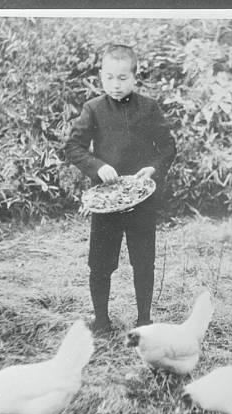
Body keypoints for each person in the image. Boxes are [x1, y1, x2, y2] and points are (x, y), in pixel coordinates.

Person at [64, 44, 176, 334]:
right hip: (106, 201)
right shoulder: (94, 109)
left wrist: (152, 168)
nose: (116, 84)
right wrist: (96, 166)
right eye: (110, 77)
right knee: (100, 263)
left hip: (141, 198)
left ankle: (144, 321)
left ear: (135, 77)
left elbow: (167, 147)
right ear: (101, 77)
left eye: (123, 78)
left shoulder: (149, 108)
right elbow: (73, 147)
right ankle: (101, 321)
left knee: (144, 262)